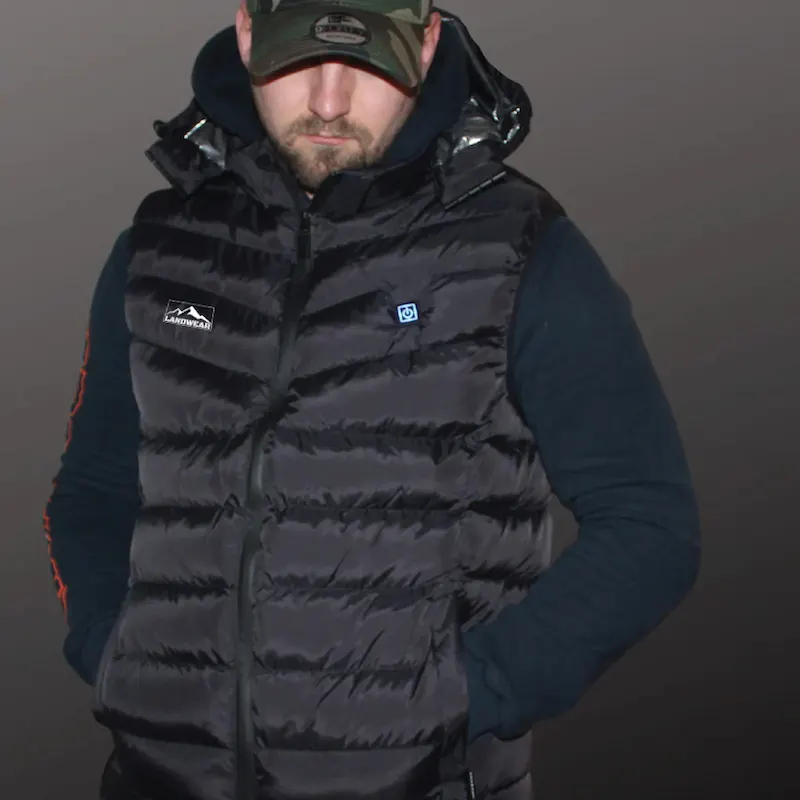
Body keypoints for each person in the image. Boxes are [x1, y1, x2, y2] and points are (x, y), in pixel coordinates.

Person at [42, 2, 702, 799]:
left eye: (365, 63)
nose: (329, 103)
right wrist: (109, 653)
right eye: (299, 63)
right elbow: (93, 488)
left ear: (425, 45)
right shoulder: (160, 246)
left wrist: (473, 697)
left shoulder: (519, 251)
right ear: (247, 35)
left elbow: (649, 524)